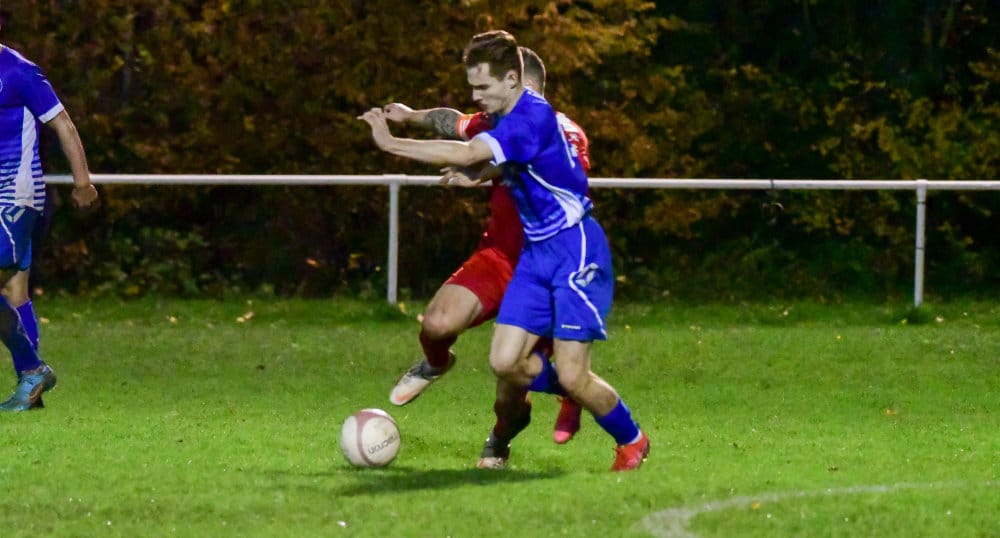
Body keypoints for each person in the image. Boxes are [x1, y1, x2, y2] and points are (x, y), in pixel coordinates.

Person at [359, 31, 650, 471]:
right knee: (504, 362)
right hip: (534, 256)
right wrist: (479, 173)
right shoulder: (507, 116)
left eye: (483, 87)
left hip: (573, 251)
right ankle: (572, 390)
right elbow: (496, 153)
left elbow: (470, 151)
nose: (476, 97)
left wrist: (391, 143)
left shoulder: (533, 117)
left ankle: (631, 439)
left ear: (513, 80)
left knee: (572, 373)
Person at [383, 47, 586, 451]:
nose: (483, 100)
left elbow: (529, 160)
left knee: (509, 387)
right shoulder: (499, 118)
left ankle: (503, 437)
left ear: (522, 85)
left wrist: (479, 169)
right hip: (500, 257)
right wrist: (409, 115)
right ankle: (437, 362)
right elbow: (453, 122)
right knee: (436, 324)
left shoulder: (563, 130)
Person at [0, 35, 99, 411]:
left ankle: (32, 370)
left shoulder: (18, 71)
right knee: (14, 292)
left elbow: (63, 124)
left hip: (16, 194)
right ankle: (31, 386)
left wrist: (83, 183)